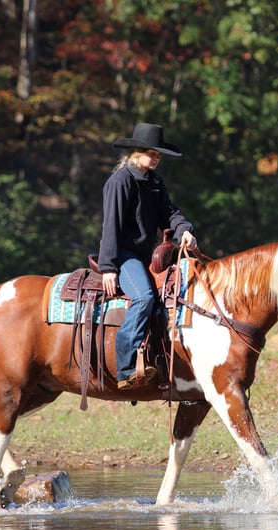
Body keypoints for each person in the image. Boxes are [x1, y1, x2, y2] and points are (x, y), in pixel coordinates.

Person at [98, 122, 198, 390]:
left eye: (159, 154)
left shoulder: (154, 182)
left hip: (145, 254)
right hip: (124, 254)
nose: (157, 158)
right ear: (136, 152)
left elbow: (169, 212)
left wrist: (184, 230)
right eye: (152, 153)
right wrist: (108, 267)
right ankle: (125, 367)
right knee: (144, 297)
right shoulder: (120, 181)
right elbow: (111, 226)